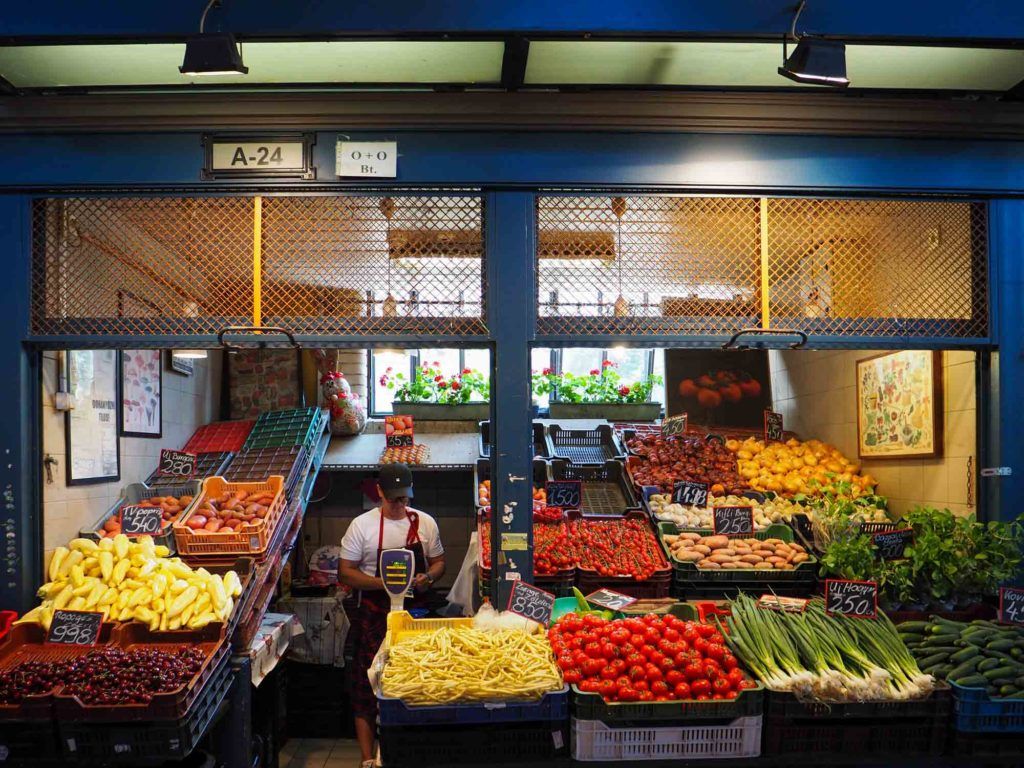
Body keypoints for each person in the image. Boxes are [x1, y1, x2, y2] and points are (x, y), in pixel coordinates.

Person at [339, 463, 446, 768]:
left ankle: (412, 751)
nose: (401, 505)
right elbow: (345, 572)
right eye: (394, 499)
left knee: (417, 684)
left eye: (405, 498)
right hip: (375, 615)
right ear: (379, 493)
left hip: (417, 613)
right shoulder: (362, 526)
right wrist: (384, 584)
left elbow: (439, 562)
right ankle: (367, 759)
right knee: (366, 688)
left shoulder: (425, 523)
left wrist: (429, 577)